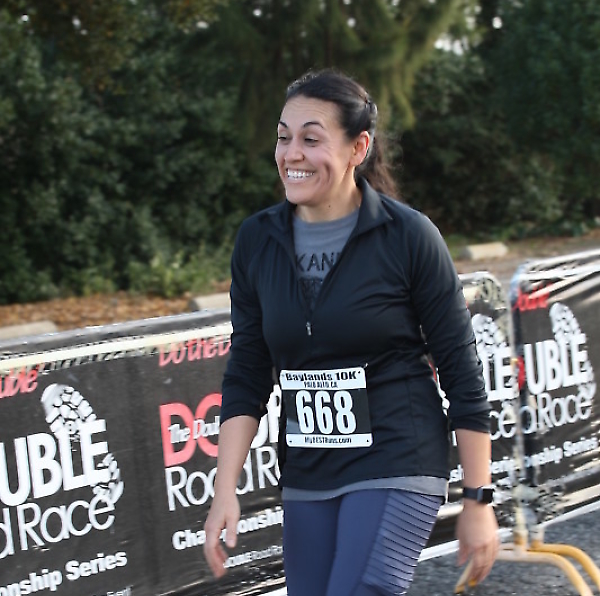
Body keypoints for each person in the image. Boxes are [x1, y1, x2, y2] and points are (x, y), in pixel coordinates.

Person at [203, 68, 499, 596]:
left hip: (398, 456)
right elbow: (248, 371)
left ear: (358, 148)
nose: (291, 153)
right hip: (309, 470)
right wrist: (225, 488)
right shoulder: (257, 241)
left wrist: (478, 498)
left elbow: (461, 372)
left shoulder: (409, 236)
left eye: (311, 139)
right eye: (283, 137)